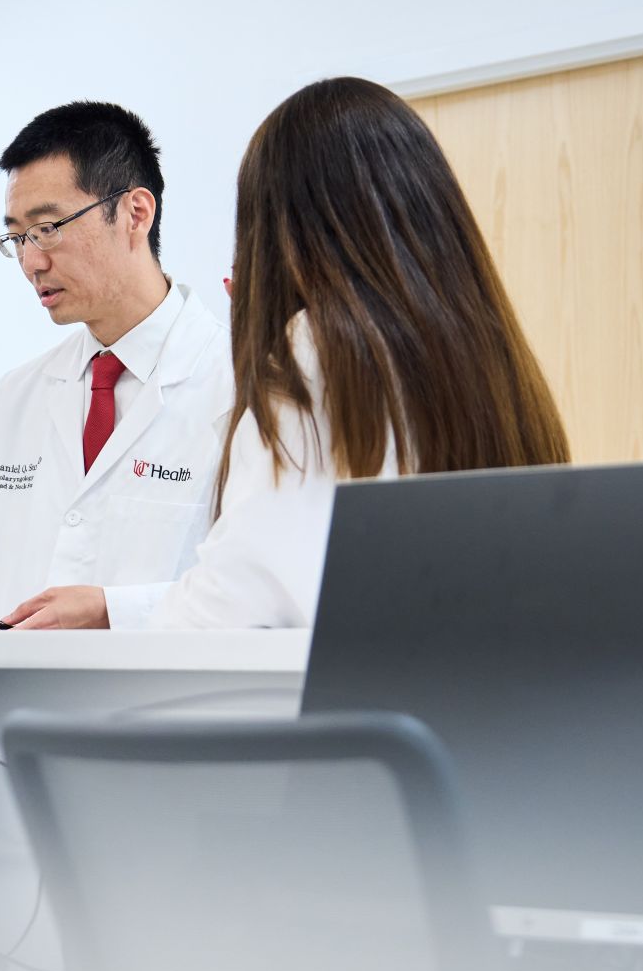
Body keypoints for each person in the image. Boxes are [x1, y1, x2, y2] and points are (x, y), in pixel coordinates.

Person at [150, 76, 570, 631]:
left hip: (348, 705)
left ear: (279, 235)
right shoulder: (485, 352)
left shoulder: (318, 349)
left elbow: (235, 598)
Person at [0, 101, 233, 631]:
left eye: (48, 227)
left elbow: (263, 591)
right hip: (12, 707)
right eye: (17, 238)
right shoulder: (19, 394)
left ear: (136, 214)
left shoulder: (240, 383)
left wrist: (113, 611)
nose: (31, 262)